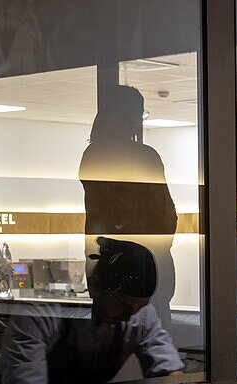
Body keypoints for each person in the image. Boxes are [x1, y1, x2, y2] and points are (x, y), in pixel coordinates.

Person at [0, 237, 183, 384]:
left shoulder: (141, 315)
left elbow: (169, 370)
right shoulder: (40, 314)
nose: (128, 317)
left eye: (140, 307)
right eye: (122, 305)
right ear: (95, 286)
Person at [79, 85, 178, 328]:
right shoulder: (144, 156)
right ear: (126, 116)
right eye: (139, 114)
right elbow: (166, 214)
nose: (139, 121)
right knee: (152, 341)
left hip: (104, 262)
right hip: (146, 264)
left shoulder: (92, 154)